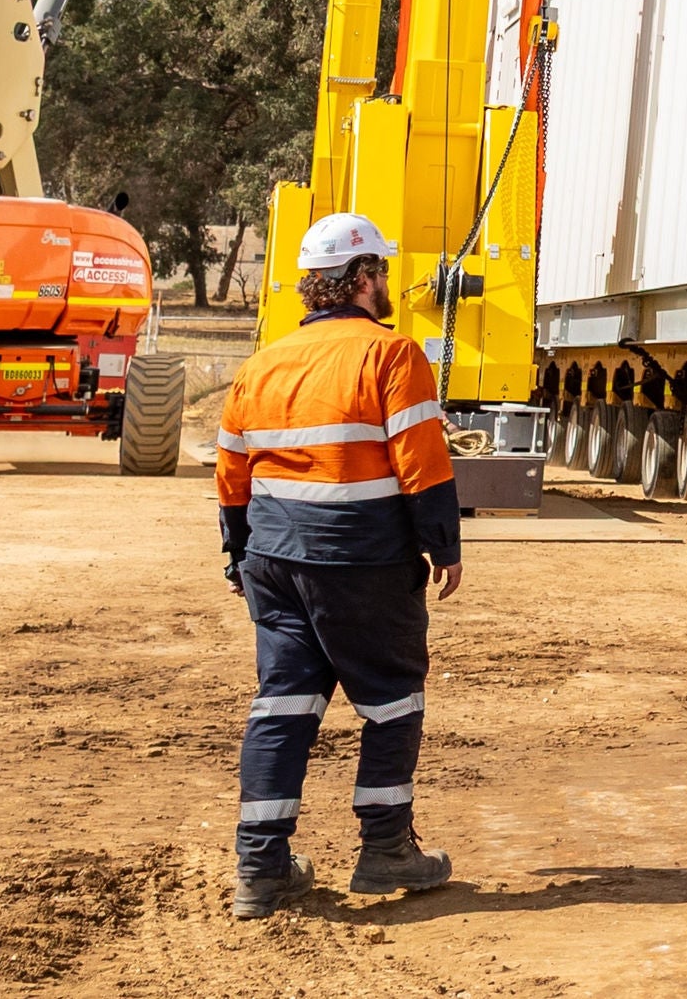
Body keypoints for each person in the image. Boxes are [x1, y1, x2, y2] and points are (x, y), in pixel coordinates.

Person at [215, 211, 463, 919]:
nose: (387, 282)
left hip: (272, 556)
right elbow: (421, 459)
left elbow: (231, 474)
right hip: (361, 558)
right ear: (360, 279)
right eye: (381, 269)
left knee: (283, 702)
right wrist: (443, 543)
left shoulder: (261, 362)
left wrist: (237, 553)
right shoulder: (392, 354)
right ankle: (386, 849)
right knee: (391, 698)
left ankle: (261, 870)